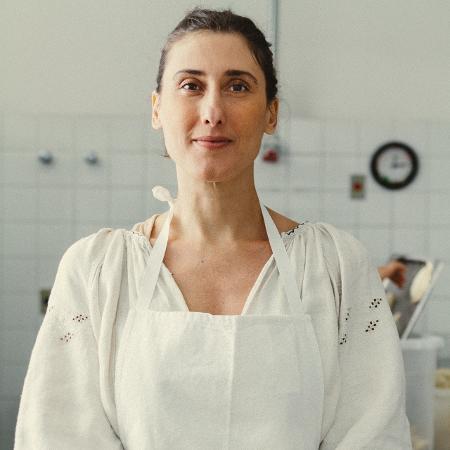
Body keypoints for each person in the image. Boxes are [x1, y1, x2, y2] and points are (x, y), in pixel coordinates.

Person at [14, 7, 413, 449]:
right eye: (191, 86)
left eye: (237, 86)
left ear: (271, 114)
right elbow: (58, 435)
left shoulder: (335, 266)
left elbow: (373, 436)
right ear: (156, 109)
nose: (213, 111)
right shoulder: (97, 271)